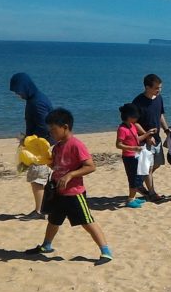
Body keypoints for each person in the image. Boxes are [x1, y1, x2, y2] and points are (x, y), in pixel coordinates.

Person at [24, 108, 113, 265]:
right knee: (53, 221)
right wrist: (42, 159)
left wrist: (70, 175)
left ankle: (105, 251)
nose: (51, 133)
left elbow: (91, 166)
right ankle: (46, 246)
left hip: (74, 193)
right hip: (58, 192)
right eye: (49, 130)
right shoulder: (57, 147)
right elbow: (57, 166)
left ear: (65, 127)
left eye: (53, 130)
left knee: (87, 221)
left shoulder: (76, 145)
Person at [9, 73, 54, 220]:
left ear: (26, 87)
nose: (18, 95)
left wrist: (28, 141)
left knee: (37, 180)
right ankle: (44, 209)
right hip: (39, 145)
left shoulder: (37, 102)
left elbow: (43, 128)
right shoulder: (35, 98)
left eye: (18, 91)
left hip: (40, 148)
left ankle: (40, 211)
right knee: (41, 179)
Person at [132, 74, 169, 202]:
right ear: (147, 87)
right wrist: (147, 136)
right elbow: (134, 122)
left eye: (160, 87)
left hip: (157, 138)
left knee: (158, 163)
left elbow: (160, 115)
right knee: (148, 167)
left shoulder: (159, 98)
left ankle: (139, 181)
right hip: (144, 140)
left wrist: (166, 130)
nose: (159, 90)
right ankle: (152, 193)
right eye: (157, 88)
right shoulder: (138, 102)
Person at [116, 103, 156, 208]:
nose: (137, 119)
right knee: (133, 179)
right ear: (129, 117)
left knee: (137, 177)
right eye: (135, 117)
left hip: (136, 155)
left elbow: (136, 139)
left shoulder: (132, 125)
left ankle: (133, 198)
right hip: (129, 157)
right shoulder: (122, 129)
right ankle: (130, 199)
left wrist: (147, 134)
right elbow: (118, 144)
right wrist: (133, 148)